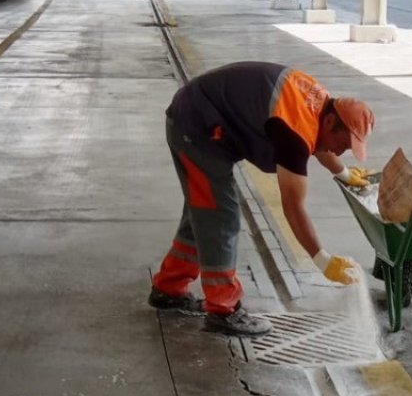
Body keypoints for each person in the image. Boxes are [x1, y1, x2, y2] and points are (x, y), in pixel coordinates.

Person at [149, 61, 375, 337]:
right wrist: (322, 260)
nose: (342, 150)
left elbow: (319, 142)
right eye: (345, 144)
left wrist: (343, 173)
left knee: (202, 212)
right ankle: (224, 309)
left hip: (197, 116)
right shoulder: (293, 132)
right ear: (330, 122)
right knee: (220, 216)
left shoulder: (318, 103)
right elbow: (293, 207)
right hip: (197, 127)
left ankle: (169, 288)